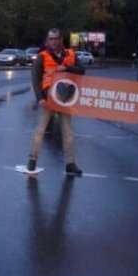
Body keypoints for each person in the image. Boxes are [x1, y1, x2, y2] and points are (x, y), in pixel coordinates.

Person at [28, 28, 85, 176]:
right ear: (47, 41)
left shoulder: (71, 55)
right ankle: (32, 160)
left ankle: (70, 163)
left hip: (66, 98)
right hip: (48, 99)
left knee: (68, 131)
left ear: (61, 40)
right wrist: (40, 98)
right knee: (40, 130)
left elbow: (82, 70)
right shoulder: (42, 56)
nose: (53, 41)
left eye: (56, 38)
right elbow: (35, 79)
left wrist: (67, 67)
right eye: (51, 39)